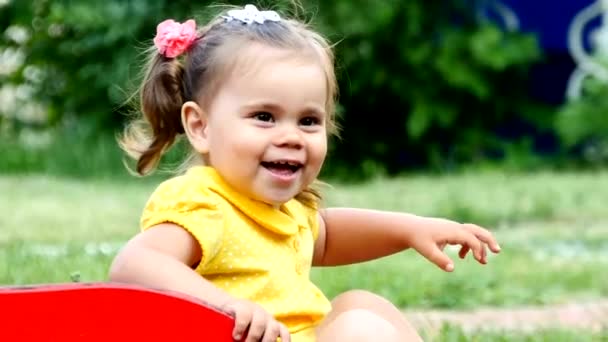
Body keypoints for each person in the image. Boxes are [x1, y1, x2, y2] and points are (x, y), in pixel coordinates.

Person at [108, 4, 501, 342]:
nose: (291, 136)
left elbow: (327, 237)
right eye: (264, 117)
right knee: (359, 329)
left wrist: (410, 229)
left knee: (362, 305)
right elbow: (134, 264)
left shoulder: (283, 210)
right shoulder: (203, 203)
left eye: (309, 120)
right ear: (200, 126)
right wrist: (226, 305)